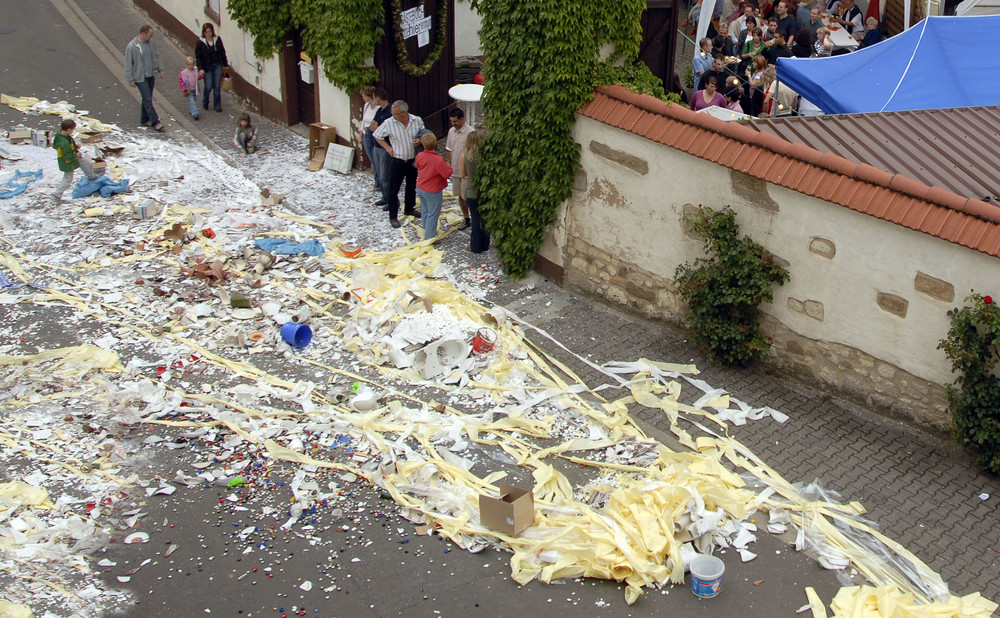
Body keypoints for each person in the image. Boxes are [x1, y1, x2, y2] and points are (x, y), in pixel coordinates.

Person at [373, 100, 424, 228]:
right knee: (393, 189)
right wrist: (387, 148)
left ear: (404, 112)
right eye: (393, 113)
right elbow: (377, 135)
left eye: (396, 113)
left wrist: (420, 140)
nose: (393, 116)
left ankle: (409, 208)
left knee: (411, 186)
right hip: (398, 160)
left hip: (413, 160)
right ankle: (393, 216)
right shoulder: (389, 123)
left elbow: (424, 133)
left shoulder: (416, 120)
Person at [124, 24, 165, 132]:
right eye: (149, 35)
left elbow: (156, 56)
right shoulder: (132, 47)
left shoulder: (151, 43)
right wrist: (130, 80)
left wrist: (160, 69)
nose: (151, 37)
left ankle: (144, 119)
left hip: (150, 74)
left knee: (147, 98)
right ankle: (155, 122)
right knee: (147, 98)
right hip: (140, 77)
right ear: (143, 34)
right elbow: (128, 65)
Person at [414, 133, 453, 241]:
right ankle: (429, 237)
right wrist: (449, 168)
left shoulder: (420, 155)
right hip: (432, 190)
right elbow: (446, 174)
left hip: (421, 187)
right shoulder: (437, 160)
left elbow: (417, 165)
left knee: (425, 210)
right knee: (433, 213)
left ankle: (427, 229)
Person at [460, 131, 489, 254]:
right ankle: (485, 244)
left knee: (475, 219)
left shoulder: (465, 156)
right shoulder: (487, 156)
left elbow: (462, 174)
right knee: (485, 219)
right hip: (485, 191)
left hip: (471, 191)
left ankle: (475, 246)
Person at [51, 118, 93, 202]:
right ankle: (57, 195)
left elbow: (65, 148)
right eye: (72, 130)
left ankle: (91, 176)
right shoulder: (64, 143)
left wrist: (75, 147)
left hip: (68, 159)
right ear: (69, 129)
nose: (73, 131)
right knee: (67, 179)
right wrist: (75, 154)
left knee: (83, 161)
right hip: (67, 162)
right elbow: (67, 156)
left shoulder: (61, 136)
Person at [445, 108, 473, 230]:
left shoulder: (471, 133)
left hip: (467, 173)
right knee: (460, 197)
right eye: (451, 121)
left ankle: (475, 218)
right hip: (455, 171)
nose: (453, 124)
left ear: (462, 119)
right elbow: (450, 150)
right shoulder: (451, 131)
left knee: (468, 197)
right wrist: (451, 166)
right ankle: (466, 218)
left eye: (455, 121)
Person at [195, 23, 228, 113]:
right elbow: (198, 56)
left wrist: (225, 64)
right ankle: (205, 101)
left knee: (216, 87)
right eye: (206, 32)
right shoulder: (200, 42)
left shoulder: (217, 39)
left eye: (210, 31)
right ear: (204, 33)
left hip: (217, 65)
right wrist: (200, 68)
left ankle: (217, 106)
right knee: (208, 86)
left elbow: (222, 52)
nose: (208, 34)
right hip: (207, 67)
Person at [368, 88, 392, 207]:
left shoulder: (389, 112)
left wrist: (377, 129)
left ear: (378, 98)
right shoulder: (380, 110)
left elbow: (384, 131)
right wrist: (377, 129)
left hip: (384, 147)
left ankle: (390, 199)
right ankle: (384, 196)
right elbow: (372, 125)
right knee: (378, 171)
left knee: (385, 175)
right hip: (376, 145)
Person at [358, 86, 381, 192]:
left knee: (376, 160)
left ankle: (379, 183)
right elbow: (363, 120)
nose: (363, 97)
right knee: (372, 159)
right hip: (365, 134)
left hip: (374, 135)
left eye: (364, 96)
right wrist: (360, 134)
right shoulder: (367, 106)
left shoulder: (378, 108)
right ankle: (377, 182)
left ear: (369, 96)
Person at [177, 56, 201, 121]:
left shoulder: (195, 71)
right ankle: (195, 114)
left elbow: (198, 77)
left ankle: (191, 110)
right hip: (188, 90)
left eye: (192, 65)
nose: (190, 66)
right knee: (192, 101)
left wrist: (202, 75)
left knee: (194, 100)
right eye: (189, 65)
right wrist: (183, 88)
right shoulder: (184, 73)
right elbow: (180, 80)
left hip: (195, 89)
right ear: (186, 65)